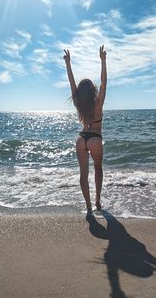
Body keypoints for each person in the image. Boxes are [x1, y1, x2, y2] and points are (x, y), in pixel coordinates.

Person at [63, 45, 107, 213]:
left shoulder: (78, 103)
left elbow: (71, 82)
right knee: (98, 169)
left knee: (83, 174)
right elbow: (104, 82)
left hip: (81, 138)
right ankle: (97, 202)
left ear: (80, 93)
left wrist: (68, 64)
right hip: (95, 139)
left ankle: (88, 205)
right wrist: (103, 61)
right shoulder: (98, 103)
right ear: (93, 90)